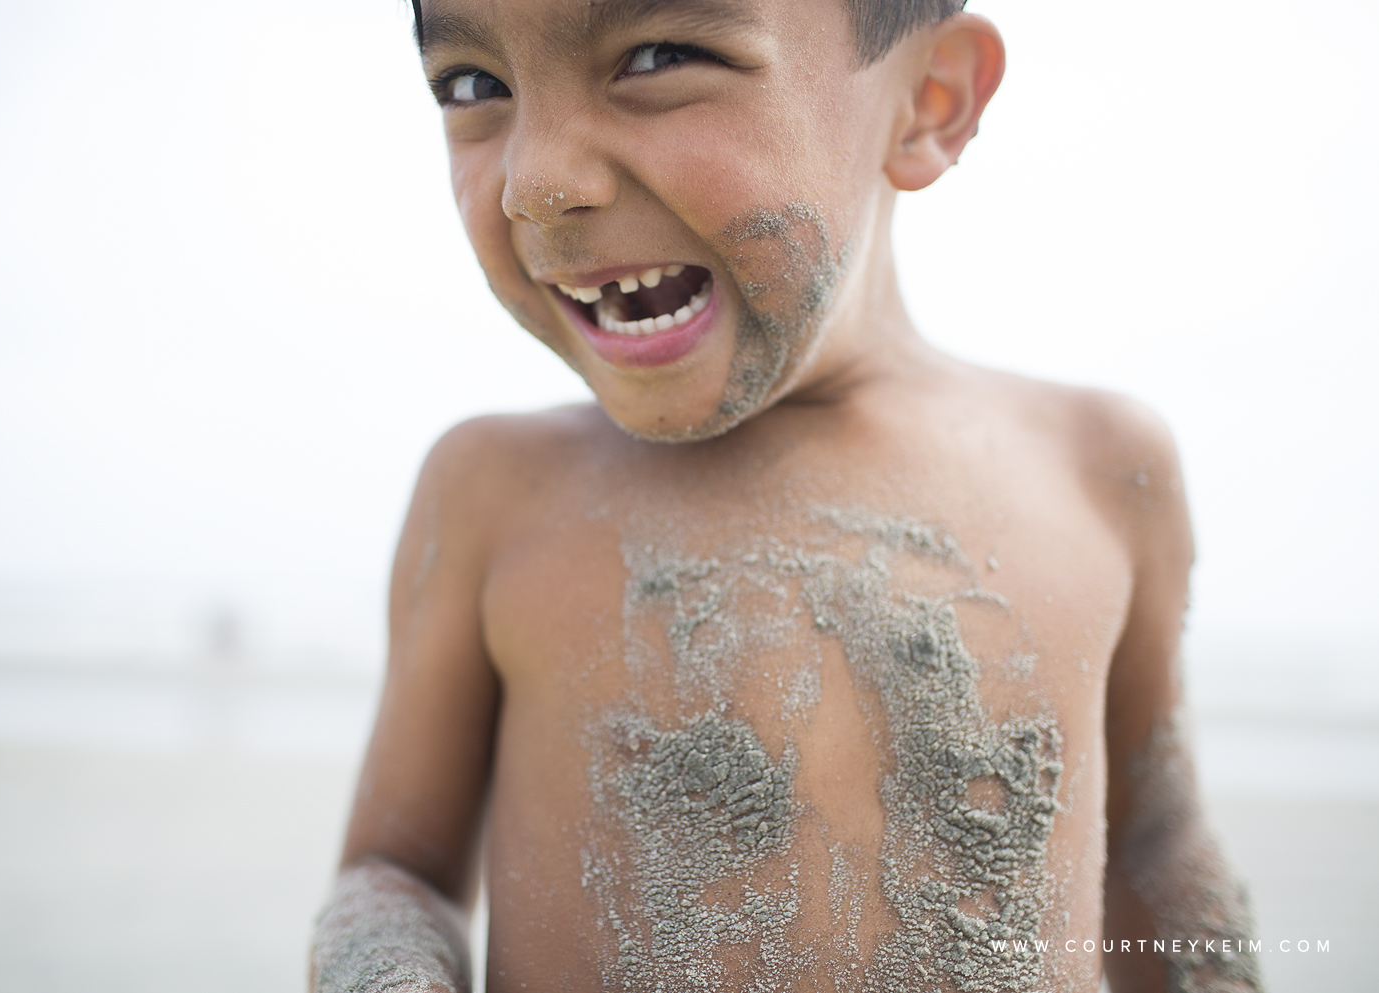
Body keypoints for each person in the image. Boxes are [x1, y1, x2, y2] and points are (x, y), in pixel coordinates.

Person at [311, 1, 1263, 990]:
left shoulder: (1099, 472)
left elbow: (1153, 841)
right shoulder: (494, 494)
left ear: (928, 101)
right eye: (474, 85)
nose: (538, 183)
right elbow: (395, 872)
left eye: (656, 56)